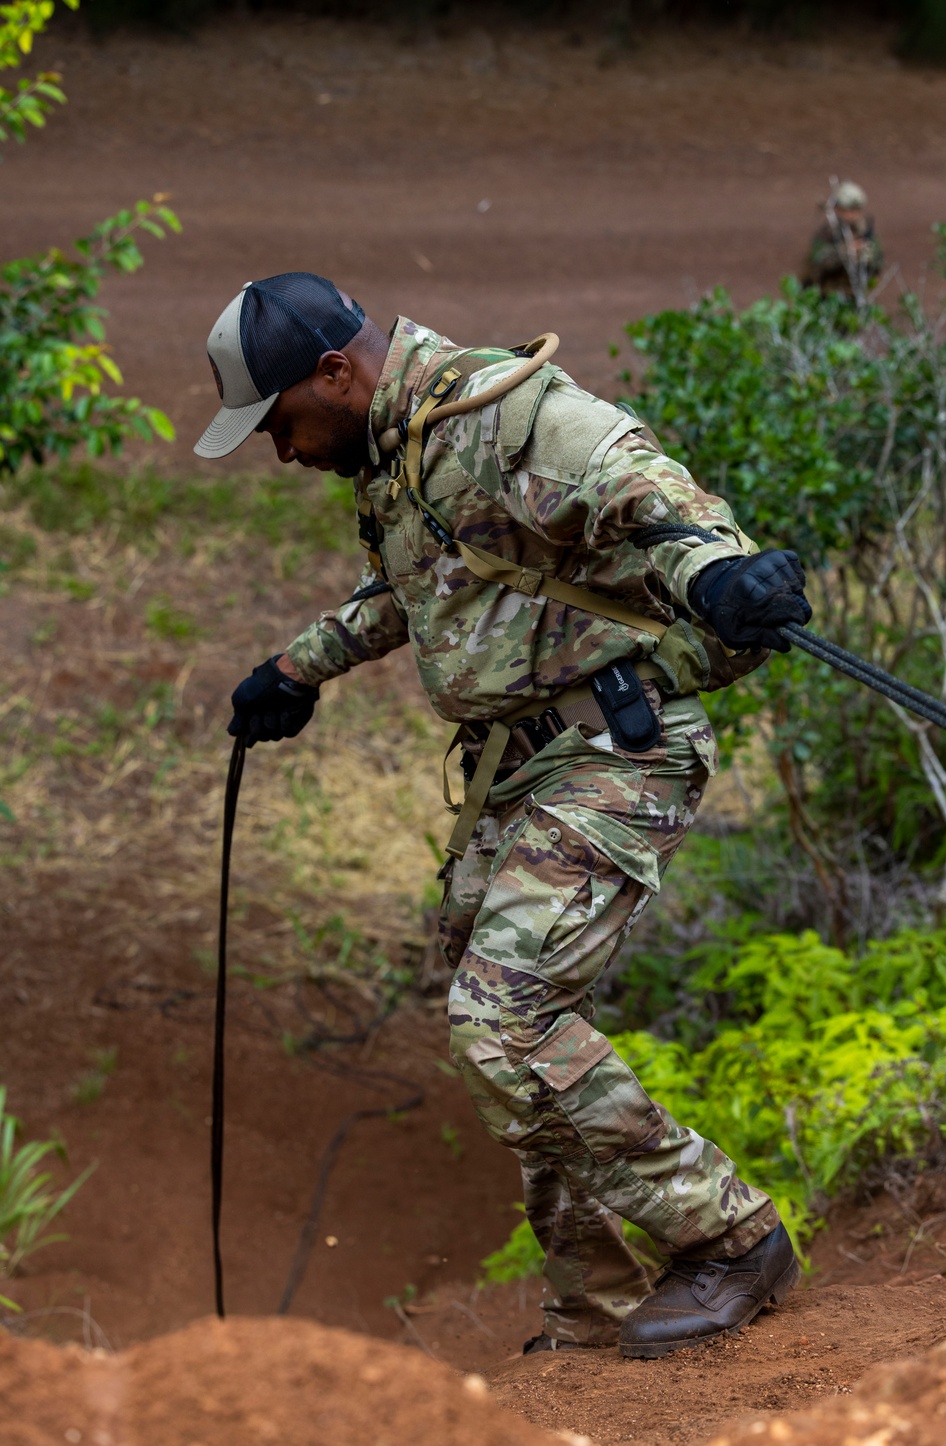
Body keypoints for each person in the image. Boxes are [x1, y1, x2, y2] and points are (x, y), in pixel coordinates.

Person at [195, 272, 812, 1358]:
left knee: (505, 1017)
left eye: (280, 422)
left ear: (337, 373)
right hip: (516, 770)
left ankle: (727, 1233)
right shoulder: (399, 453)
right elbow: (418, 581)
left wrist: (719, 570)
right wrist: (298, 666)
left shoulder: (509, 415)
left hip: (616, 748)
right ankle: (594, 1301)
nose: (281, 451)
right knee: (498, 1035)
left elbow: (649, 491)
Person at [802, 180, 884, 299]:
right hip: (828, 295)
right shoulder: (827, 234)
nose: (850, 215)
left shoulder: (867, 234)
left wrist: (865, 255)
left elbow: (877, 264)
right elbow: (815, 265)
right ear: (837, 209)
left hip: (855, 295)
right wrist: (843, 253)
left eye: (855, 210)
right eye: (846, 210)